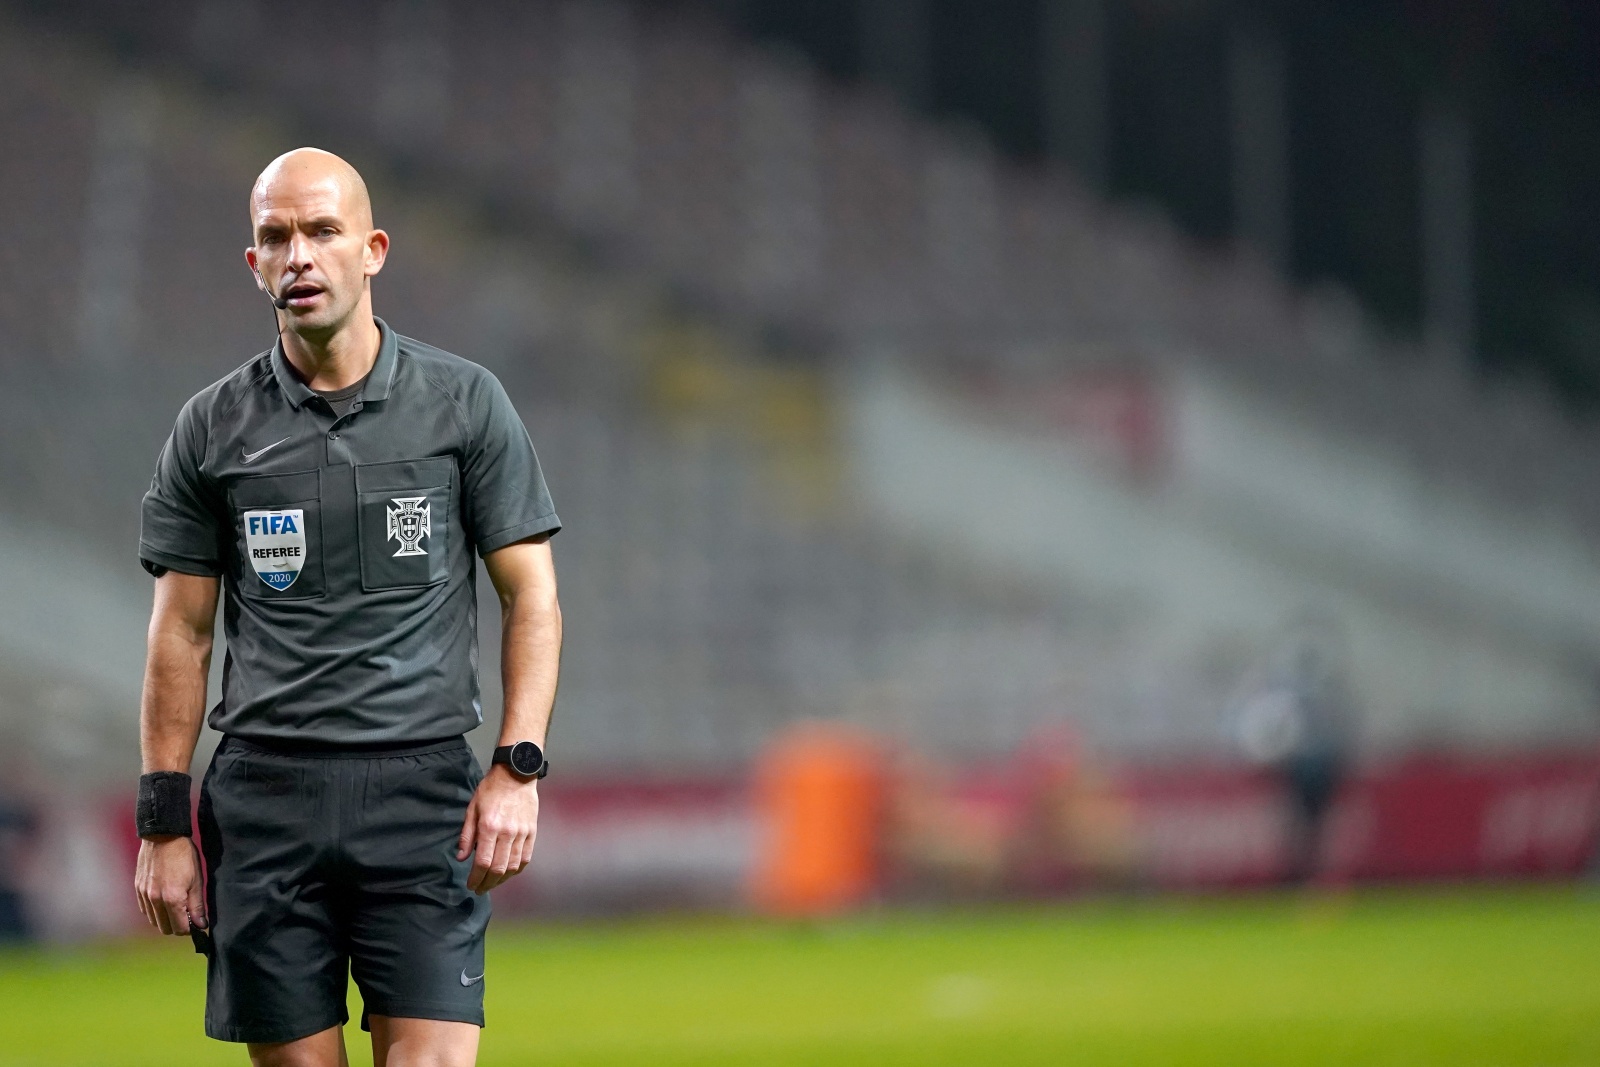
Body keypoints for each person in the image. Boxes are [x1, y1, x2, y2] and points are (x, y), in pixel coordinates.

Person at [132, 147, 562, 1067]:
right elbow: (182, 630)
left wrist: (517, 768)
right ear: (254, 264)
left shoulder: (464, 402)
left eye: (322, 231)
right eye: (276, 237)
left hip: (421, 796)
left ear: (371, 250)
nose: (300, 255)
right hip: (268, 802)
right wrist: (164, 823)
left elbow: (532, 596)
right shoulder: (210, 427)